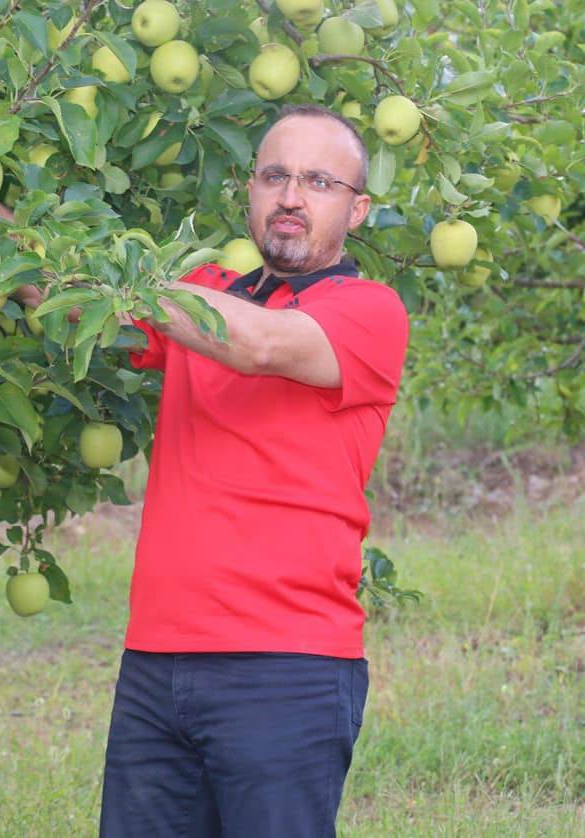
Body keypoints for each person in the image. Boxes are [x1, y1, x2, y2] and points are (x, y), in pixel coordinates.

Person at [95, 105, 410, 837]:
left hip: (286, 668)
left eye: (319, 181)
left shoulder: (368, 310)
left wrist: (128, 278)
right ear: (250, 191)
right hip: (155, 660)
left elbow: (262, 344)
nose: (291, 196)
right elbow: (73, 303)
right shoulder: (203, 290)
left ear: (357, 209)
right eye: (275, 176)